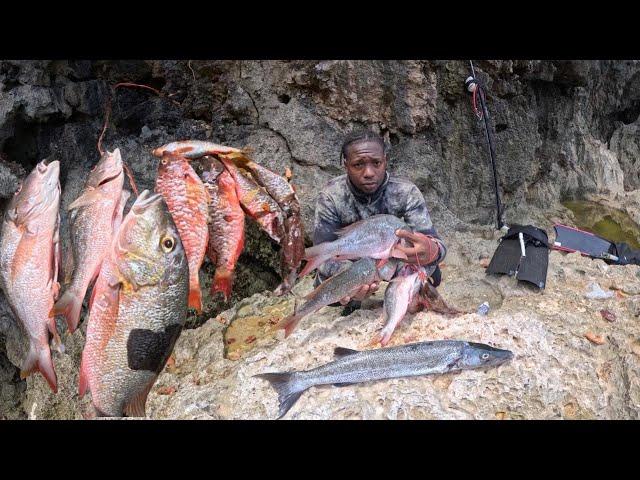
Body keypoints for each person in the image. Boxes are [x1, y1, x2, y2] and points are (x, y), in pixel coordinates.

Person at [312, 129, 447, 310]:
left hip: (395, 259)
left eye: (376, 163)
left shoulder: (406, 192)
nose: (369, 172)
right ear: (346, 164)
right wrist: (353, 278)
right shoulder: (331, 196)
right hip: (354, 263)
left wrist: (431, 250)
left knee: (431, 272)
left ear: (385, 161)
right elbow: (323, 257)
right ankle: (353, 301)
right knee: (328, 288)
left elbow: (438, 246)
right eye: (358, 164)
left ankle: (406, 297)